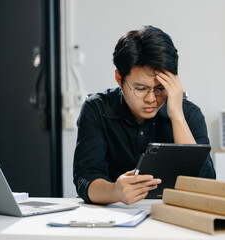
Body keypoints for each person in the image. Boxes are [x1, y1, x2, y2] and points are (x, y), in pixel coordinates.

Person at [73, 25, 215, 205]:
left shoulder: (189, 114)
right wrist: (115, 191)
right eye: (140, 89)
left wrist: (177, 116)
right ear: (119, 78)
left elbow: (206, 186)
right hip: (115, 213)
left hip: (173, 216)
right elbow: (85, 179)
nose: (150, 99)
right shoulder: (97, 109)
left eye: (160, 88)